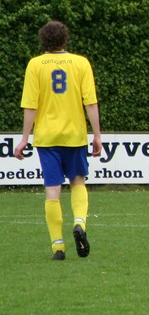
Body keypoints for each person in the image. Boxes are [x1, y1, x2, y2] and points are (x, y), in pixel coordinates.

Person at [15, 20, 102, 261]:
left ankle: (58, 247)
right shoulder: (80, 63)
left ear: (43, 41)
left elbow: (30, 105)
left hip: (47, 138)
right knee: (78, 181)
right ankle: (79, 223)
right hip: (74, 135)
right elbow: (90, 103)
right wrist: (97, 135)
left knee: (52, 190)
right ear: (66, 39)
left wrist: (24, 138)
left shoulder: (35, 65)